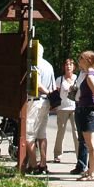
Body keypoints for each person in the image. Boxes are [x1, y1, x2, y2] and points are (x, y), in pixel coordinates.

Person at [74, 49, 94, 181]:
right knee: (89, 143)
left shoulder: (90, 77)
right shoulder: (90, 74)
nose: (79, 60)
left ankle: (93, 173)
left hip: (88, 112)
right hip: (85, 110)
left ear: (88, 60)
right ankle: (91, 170)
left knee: (91, 144)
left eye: (81, 58)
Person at [25, 43, 55, 175]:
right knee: (42, 134)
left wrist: (46, 91)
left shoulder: (34, 65)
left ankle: (33, 165)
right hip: (46, 103)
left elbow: (36, 84)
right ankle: (43, 164)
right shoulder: (49, 65)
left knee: (28, 135)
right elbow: (54, 87)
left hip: (35, 101)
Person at [53, 58, 79, 162]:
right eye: (67, 64)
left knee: (76, 132)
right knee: (61, 131)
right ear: (64, 67)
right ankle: (57, 154)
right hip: (62, 108)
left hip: (75, 108)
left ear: (74, 67)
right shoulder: (60, 79)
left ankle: (79, 156)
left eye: (70, 65)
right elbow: (55, 93)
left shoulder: (77, 78)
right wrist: (54, 106)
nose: (68, 66)